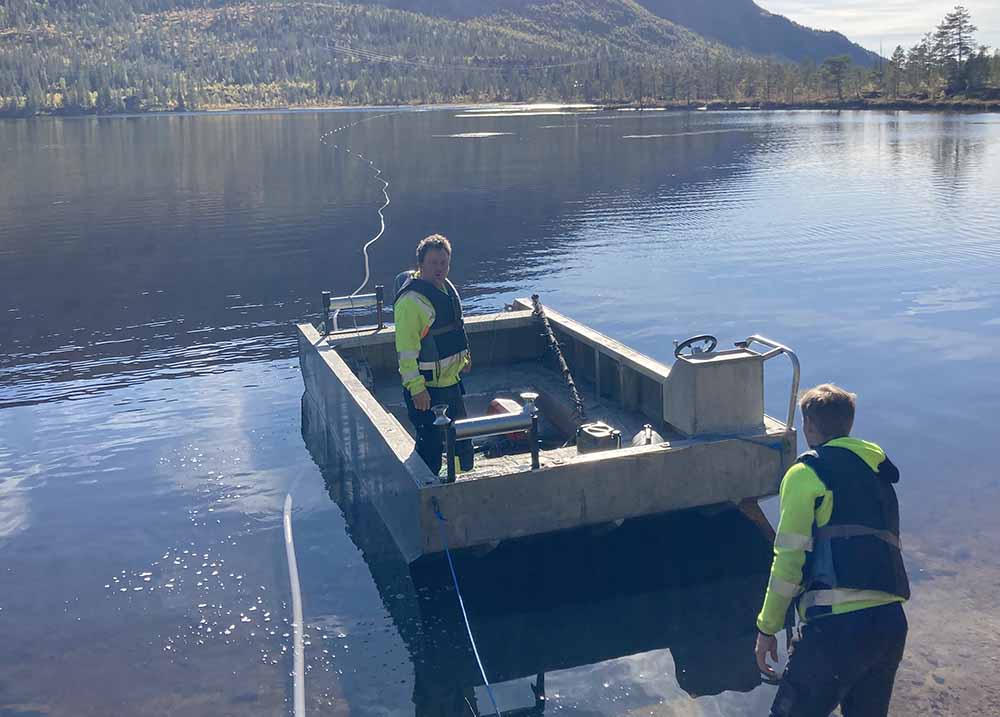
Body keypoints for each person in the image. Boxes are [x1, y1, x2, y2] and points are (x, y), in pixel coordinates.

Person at [755, 384, 910, 717]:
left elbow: (789, 559)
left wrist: (767, 627)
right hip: (890, 623)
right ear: (848, 424)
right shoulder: (877, 471)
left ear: (809, 425)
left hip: (836, 631)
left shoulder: (805, 474)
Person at [394, 234, 473, 477]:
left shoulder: (447, 290)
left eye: (444, 263)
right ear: (421, 264)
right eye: (434, 263)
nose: (440, 268)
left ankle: (460, 480)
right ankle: (428, 487)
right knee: (430, 445)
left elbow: (455, 330)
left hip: (452, 383)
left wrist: (465, 359)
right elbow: (406, 351)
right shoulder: (410, 302)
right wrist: (417, 388)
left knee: (462, 441)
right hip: (427, 390)